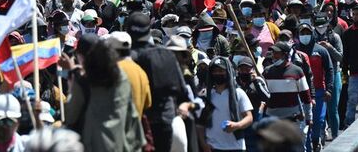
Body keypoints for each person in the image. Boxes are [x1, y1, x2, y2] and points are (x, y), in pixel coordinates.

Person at [65, 39, 146, 151]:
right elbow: (132, 115)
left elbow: (70, 116)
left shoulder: (84, 82)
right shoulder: (122, 78)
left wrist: (71, 86)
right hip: (123, 144)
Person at [127, 12, 189, 152]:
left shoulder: (128, 59)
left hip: (138, 124)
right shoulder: (166, 54)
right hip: (165, 121)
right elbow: (182, 92)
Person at [198, 57, 254, 152]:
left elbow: (249, 118)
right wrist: (203, 144)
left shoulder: (238, 93)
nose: (217, 74)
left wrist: (237, 125)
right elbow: (200, 125)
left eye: (221, 71)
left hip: (236, 147)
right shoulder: (205, 95)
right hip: (212, 147)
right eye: (215, 71)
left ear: (228, 72)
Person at [295, 23, 333, 151]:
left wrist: (329, 89)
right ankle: (308, 146)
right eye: (302, 33)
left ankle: (316, 140)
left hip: (319, 90)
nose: (305, 36)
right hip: (301, 92)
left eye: (307, 33)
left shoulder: (321, 50)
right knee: (305, 122)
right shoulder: (295, 51)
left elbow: (329, 70)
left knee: (319, 120)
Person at [313, 15, 343, 141]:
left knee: (332, 108)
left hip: (333, 73)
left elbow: (341, 57)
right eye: (318, 26)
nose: (321, 29)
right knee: (317, 109)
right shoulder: (311, 37)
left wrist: (329, 48)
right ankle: (319, 135)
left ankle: (335, 135)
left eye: (323, 26)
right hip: (317, 75)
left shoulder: (334, 37)